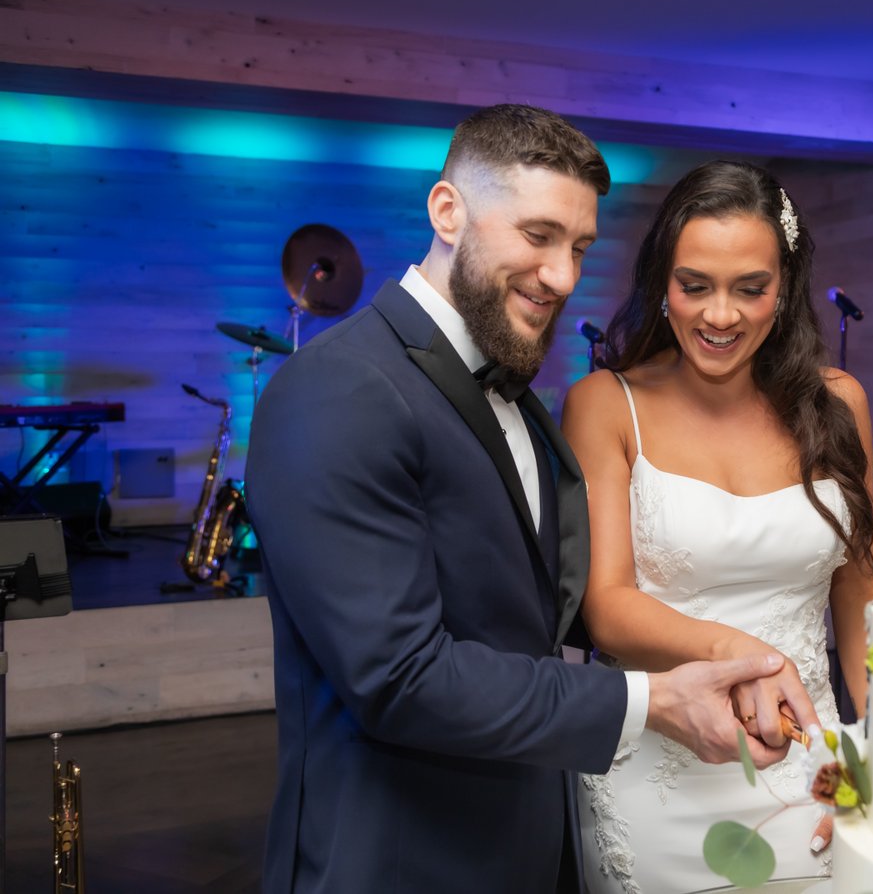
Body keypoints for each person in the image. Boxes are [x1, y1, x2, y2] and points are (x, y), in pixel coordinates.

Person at [245, 107, 817, 894]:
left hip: (525, 837)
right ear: (448, 212)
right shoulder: (338, 388)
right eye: (538, 235)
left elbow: (539, 599)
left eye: (580, 247)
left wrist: (727, 651)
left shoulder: (513, 391)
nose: (564, 275)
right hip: (398, 858)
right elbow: (397, 677)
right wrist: (649, 701)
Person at [563, 160, 873, 891]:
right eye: (695, 285)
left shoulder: (840, 404)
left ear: (786, 287)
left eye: (751, 288)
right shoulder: (604, 405)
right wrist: (745, 653)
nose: (720, 315)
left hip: (812, 768)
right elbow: (606, 606)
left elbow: (864, 600)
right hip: (658, 779)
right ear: (661, 284)